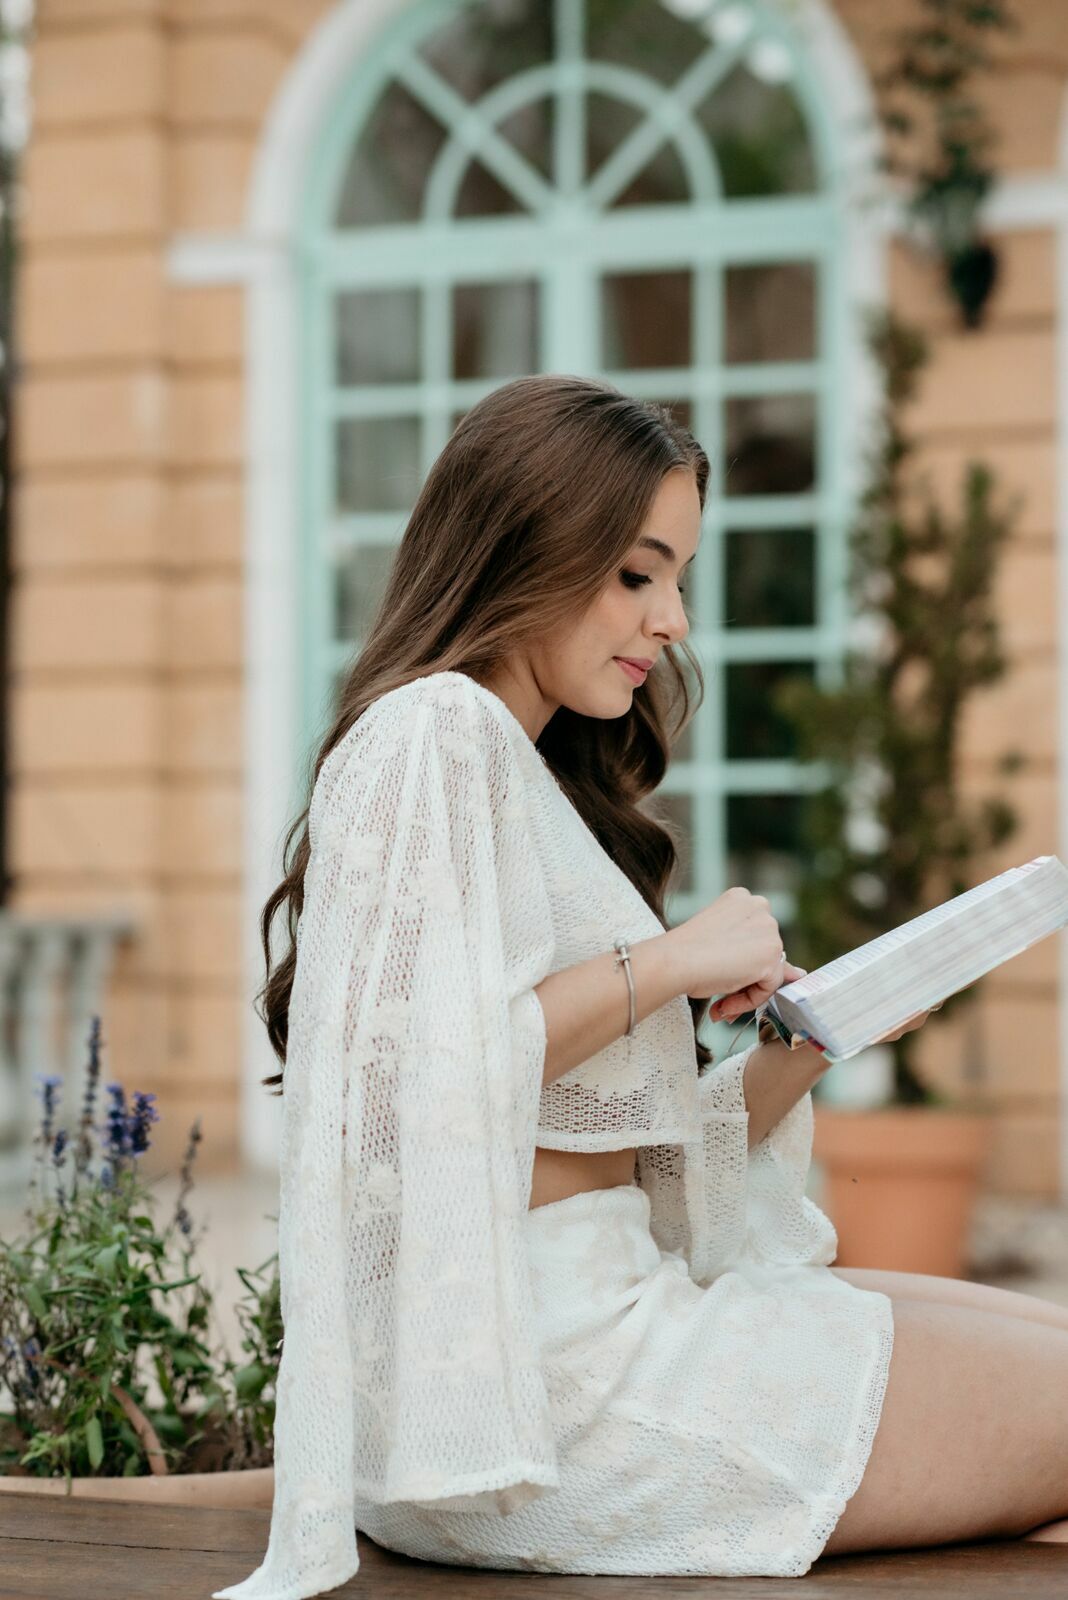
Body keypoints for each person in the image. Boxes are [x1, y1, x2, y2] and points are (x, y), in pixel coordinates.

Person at [213, 375, 1068, 1600]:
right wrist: (668, 962)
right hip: (552, 1401)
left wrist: (808, 1043)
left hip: (600, 1335)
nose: (672, 620)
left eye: (679, 579)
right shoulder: (432, 732)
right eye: (635, 574)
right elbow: (415, 1082)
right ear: (524, 545)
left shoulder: (528, 775)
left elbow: (638, 1175)